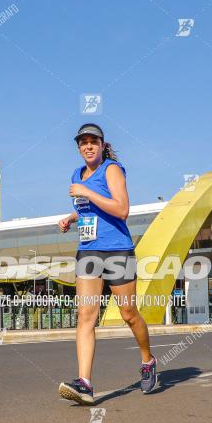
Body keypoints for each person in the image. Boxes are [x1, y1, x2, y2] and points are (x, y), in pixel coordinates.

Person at [56, 123, 156, 405]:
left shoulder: (111, 169)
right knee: (86, 315)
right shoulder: (78, 174)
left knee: (128, 314)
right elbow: (87, 210)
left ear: (102, 145)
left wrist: (86, 193)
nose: (88, 146)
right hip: (88, 252)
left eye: (93, 141)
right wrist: (72, 218)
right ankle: (84, 383)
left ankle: (147, 360)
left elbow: (121, 210)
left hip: (117, 251)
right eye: (83, 142)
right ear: (78, 147)